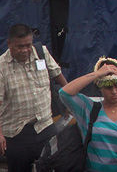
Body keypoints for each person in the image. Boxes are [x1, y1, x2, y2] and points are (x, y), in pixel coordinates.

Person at [0, 24, 68, 172]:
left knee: (55, 166)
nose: (25, 50)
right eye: (19, 46)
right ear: (9, 44)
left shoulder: (41, 52)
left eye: (28, 45)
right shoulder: (1, 67)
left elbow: (57, 73)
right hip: (17, 133)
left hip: (45, 126)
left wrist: (70, 99)